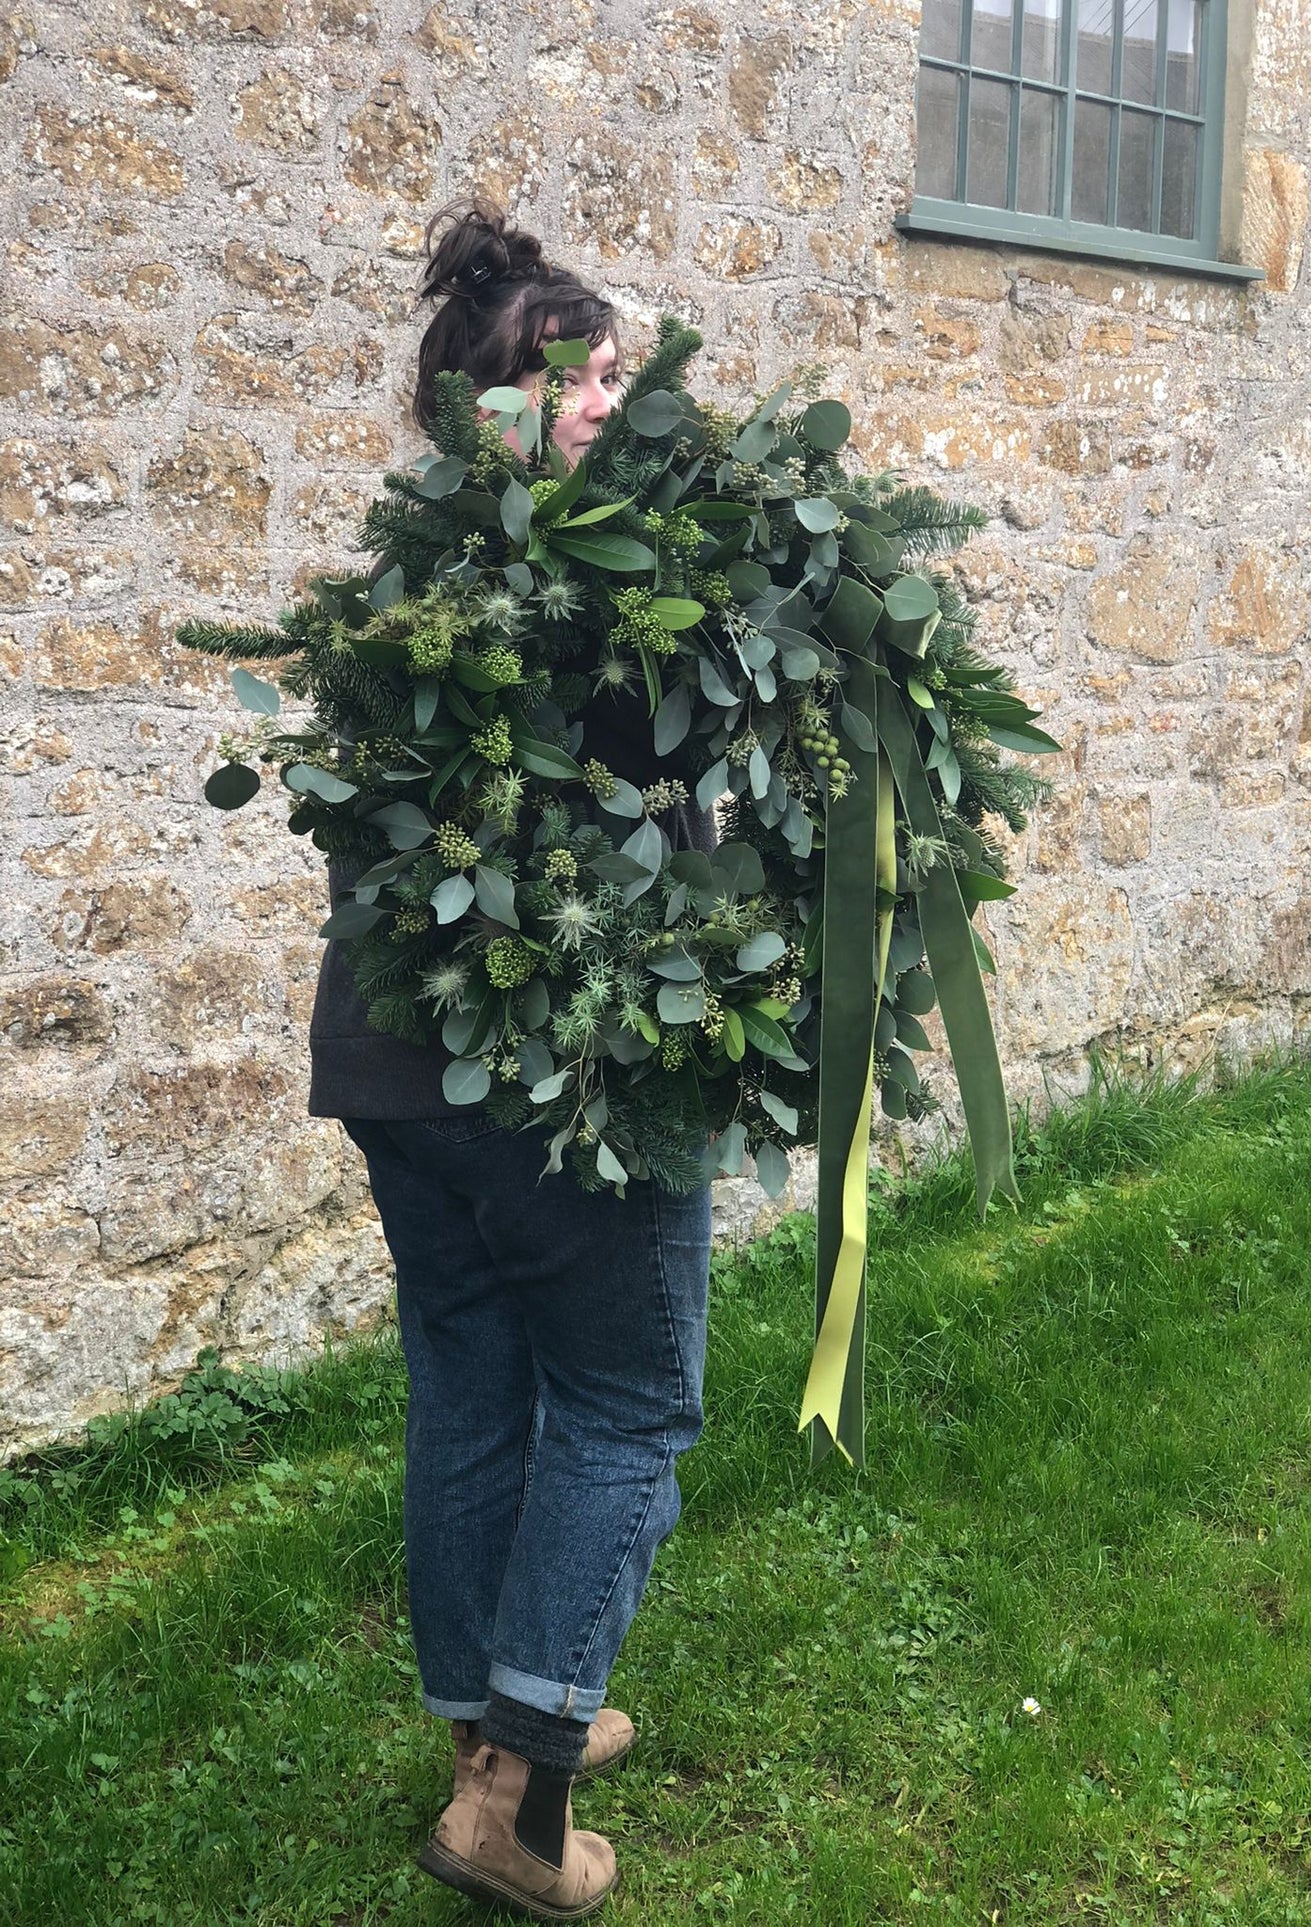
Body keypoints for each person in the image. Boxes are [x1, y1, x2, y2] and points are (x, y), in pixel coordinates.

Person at [307, 201, 715, 1920]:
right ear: (504, 409)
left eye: (624, 367)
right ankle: (514, 1809)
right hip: (563, 1070)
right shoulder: (587, 584)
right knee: (623, 1400)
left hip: (402, 1065)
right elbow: (664, 767)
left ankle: (496, 1718)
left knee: (474, 1384)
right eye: (590, 376)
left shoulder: (409, 580)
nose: (624, 399)